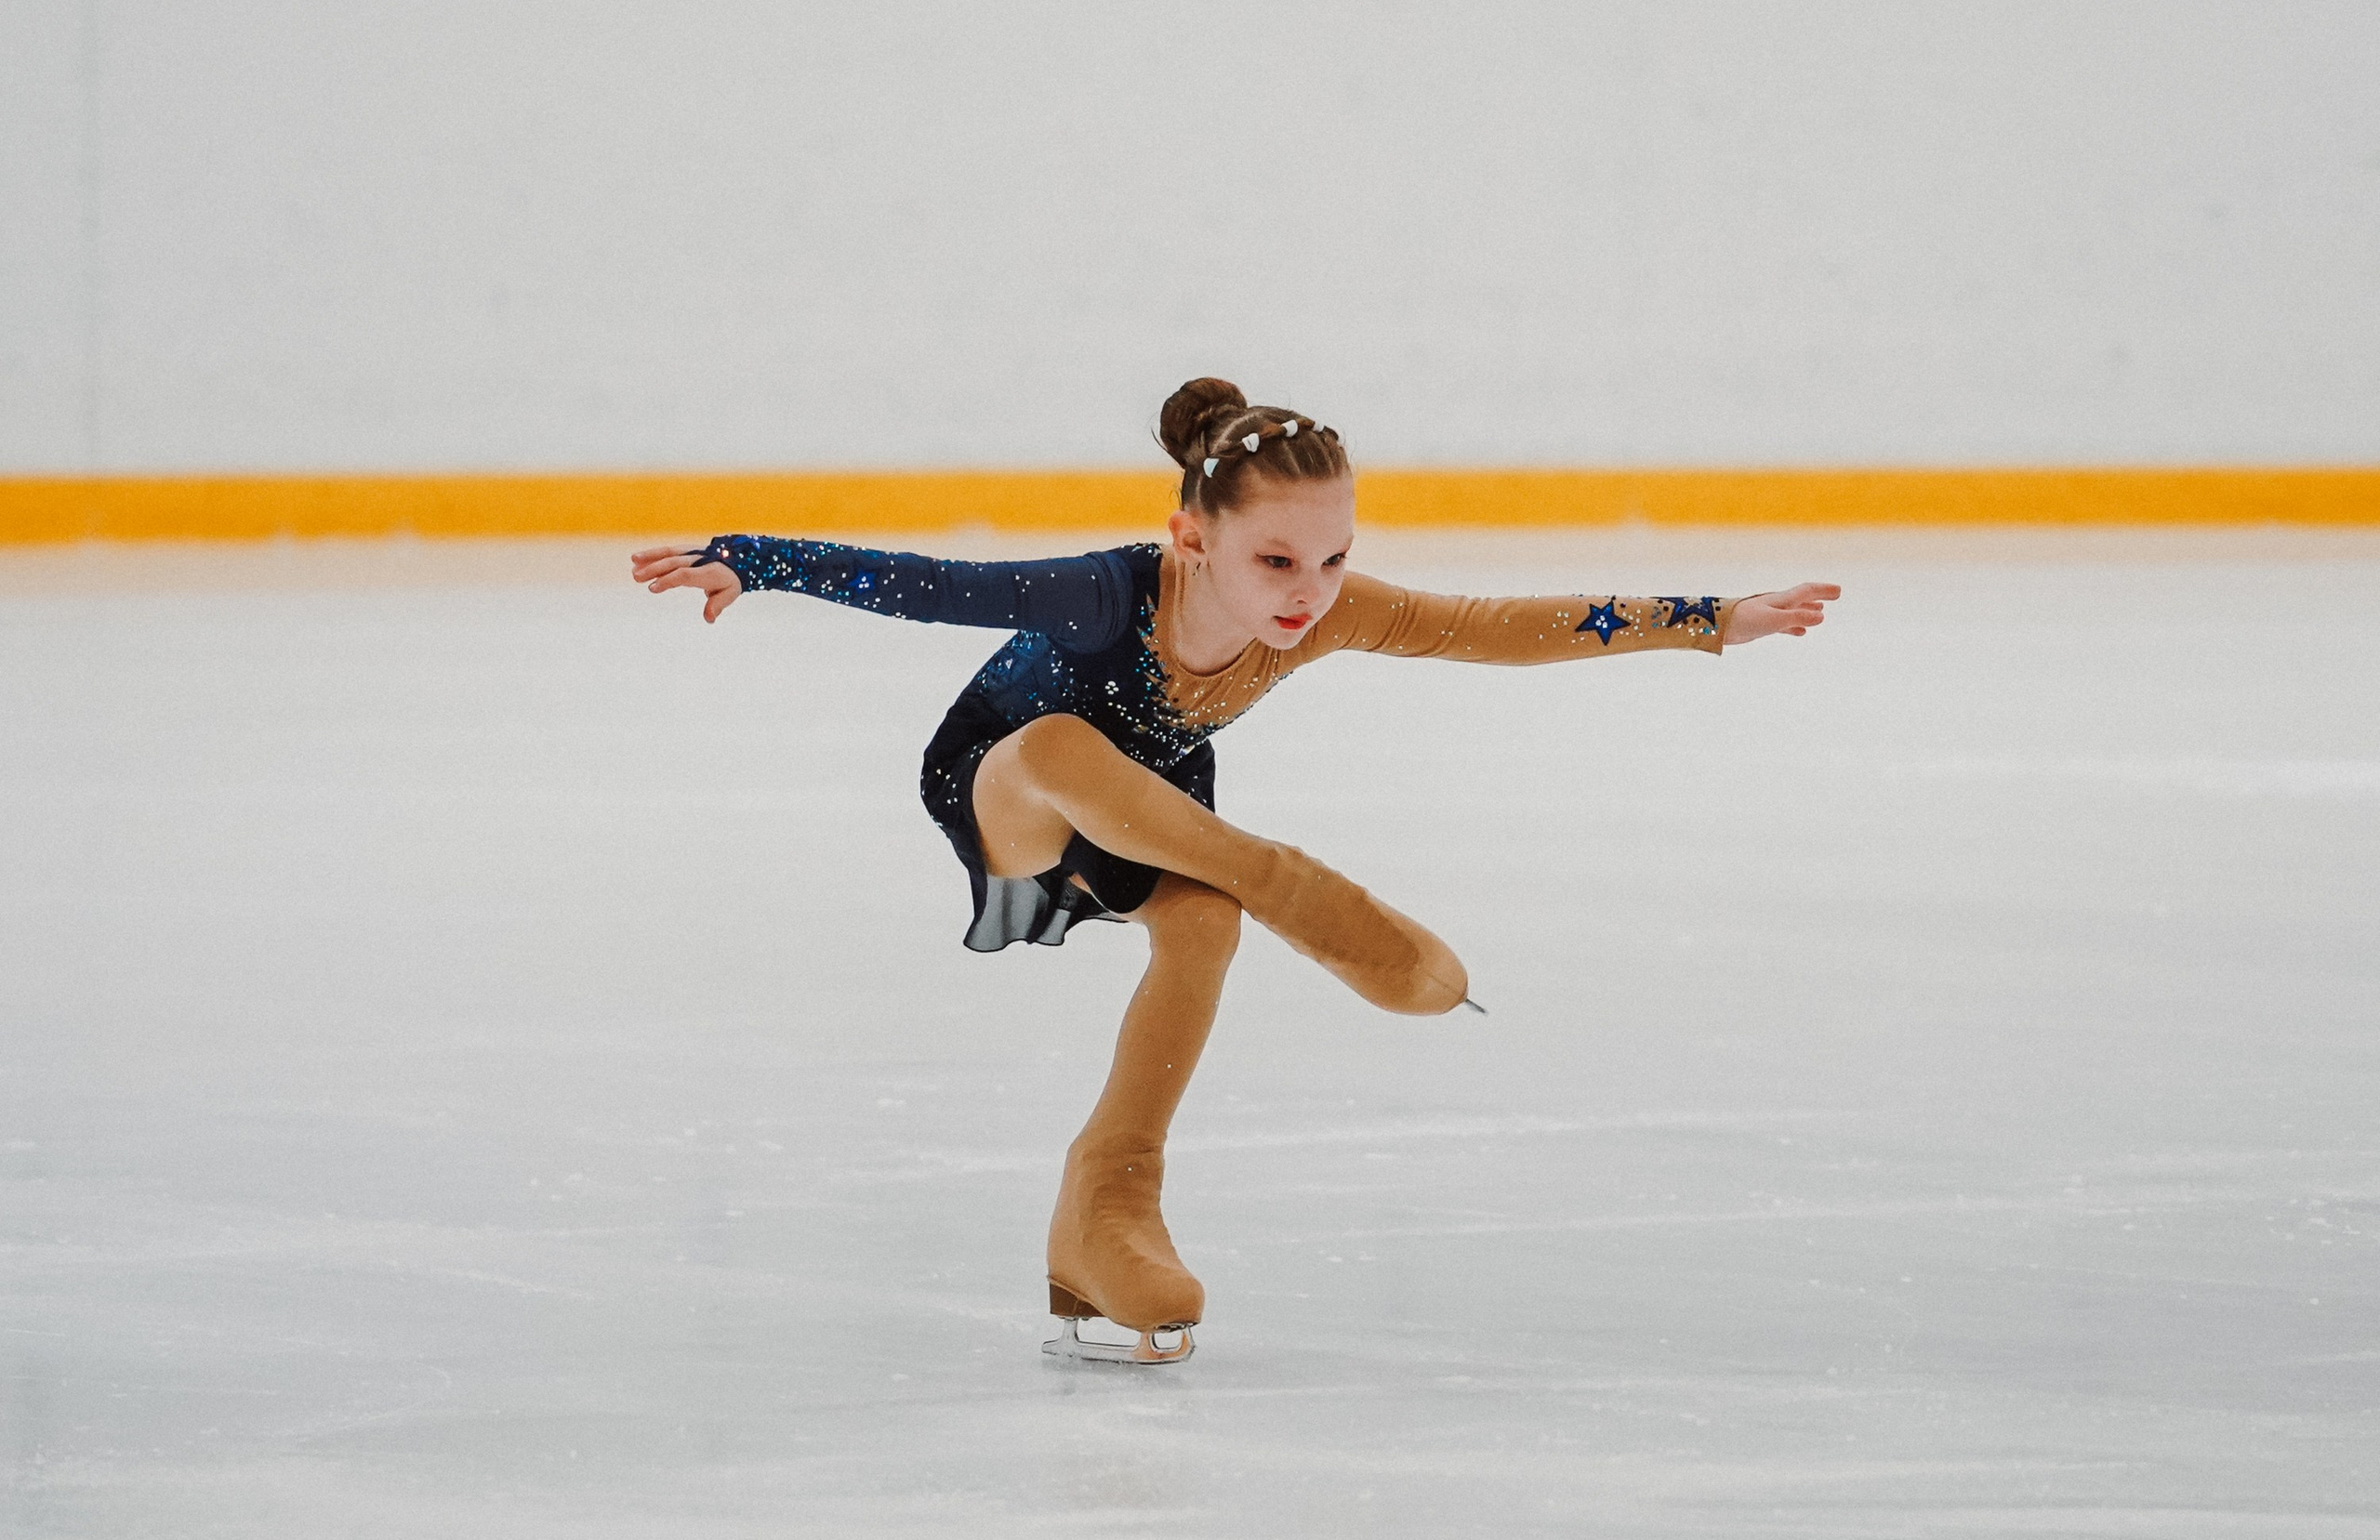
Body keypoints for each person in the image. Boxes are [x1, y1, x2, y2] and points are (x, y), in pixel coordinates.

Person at [631, 377, 1838, 1364]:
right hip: (1011, 791)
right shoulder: (1105, 595)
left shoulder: (1321, 606)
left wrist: (1711, 617)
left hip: (1154, 813)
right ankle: (1278, 877)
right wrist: (752, 558)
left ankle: (1107, 1205)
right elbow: (934, 585)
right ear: (1191, 537)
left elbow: (1487, 624)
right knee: (1065, 747)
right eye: (1275, 564)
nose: (1309, 598)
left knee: (1205, 929)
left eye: (1331, 561)